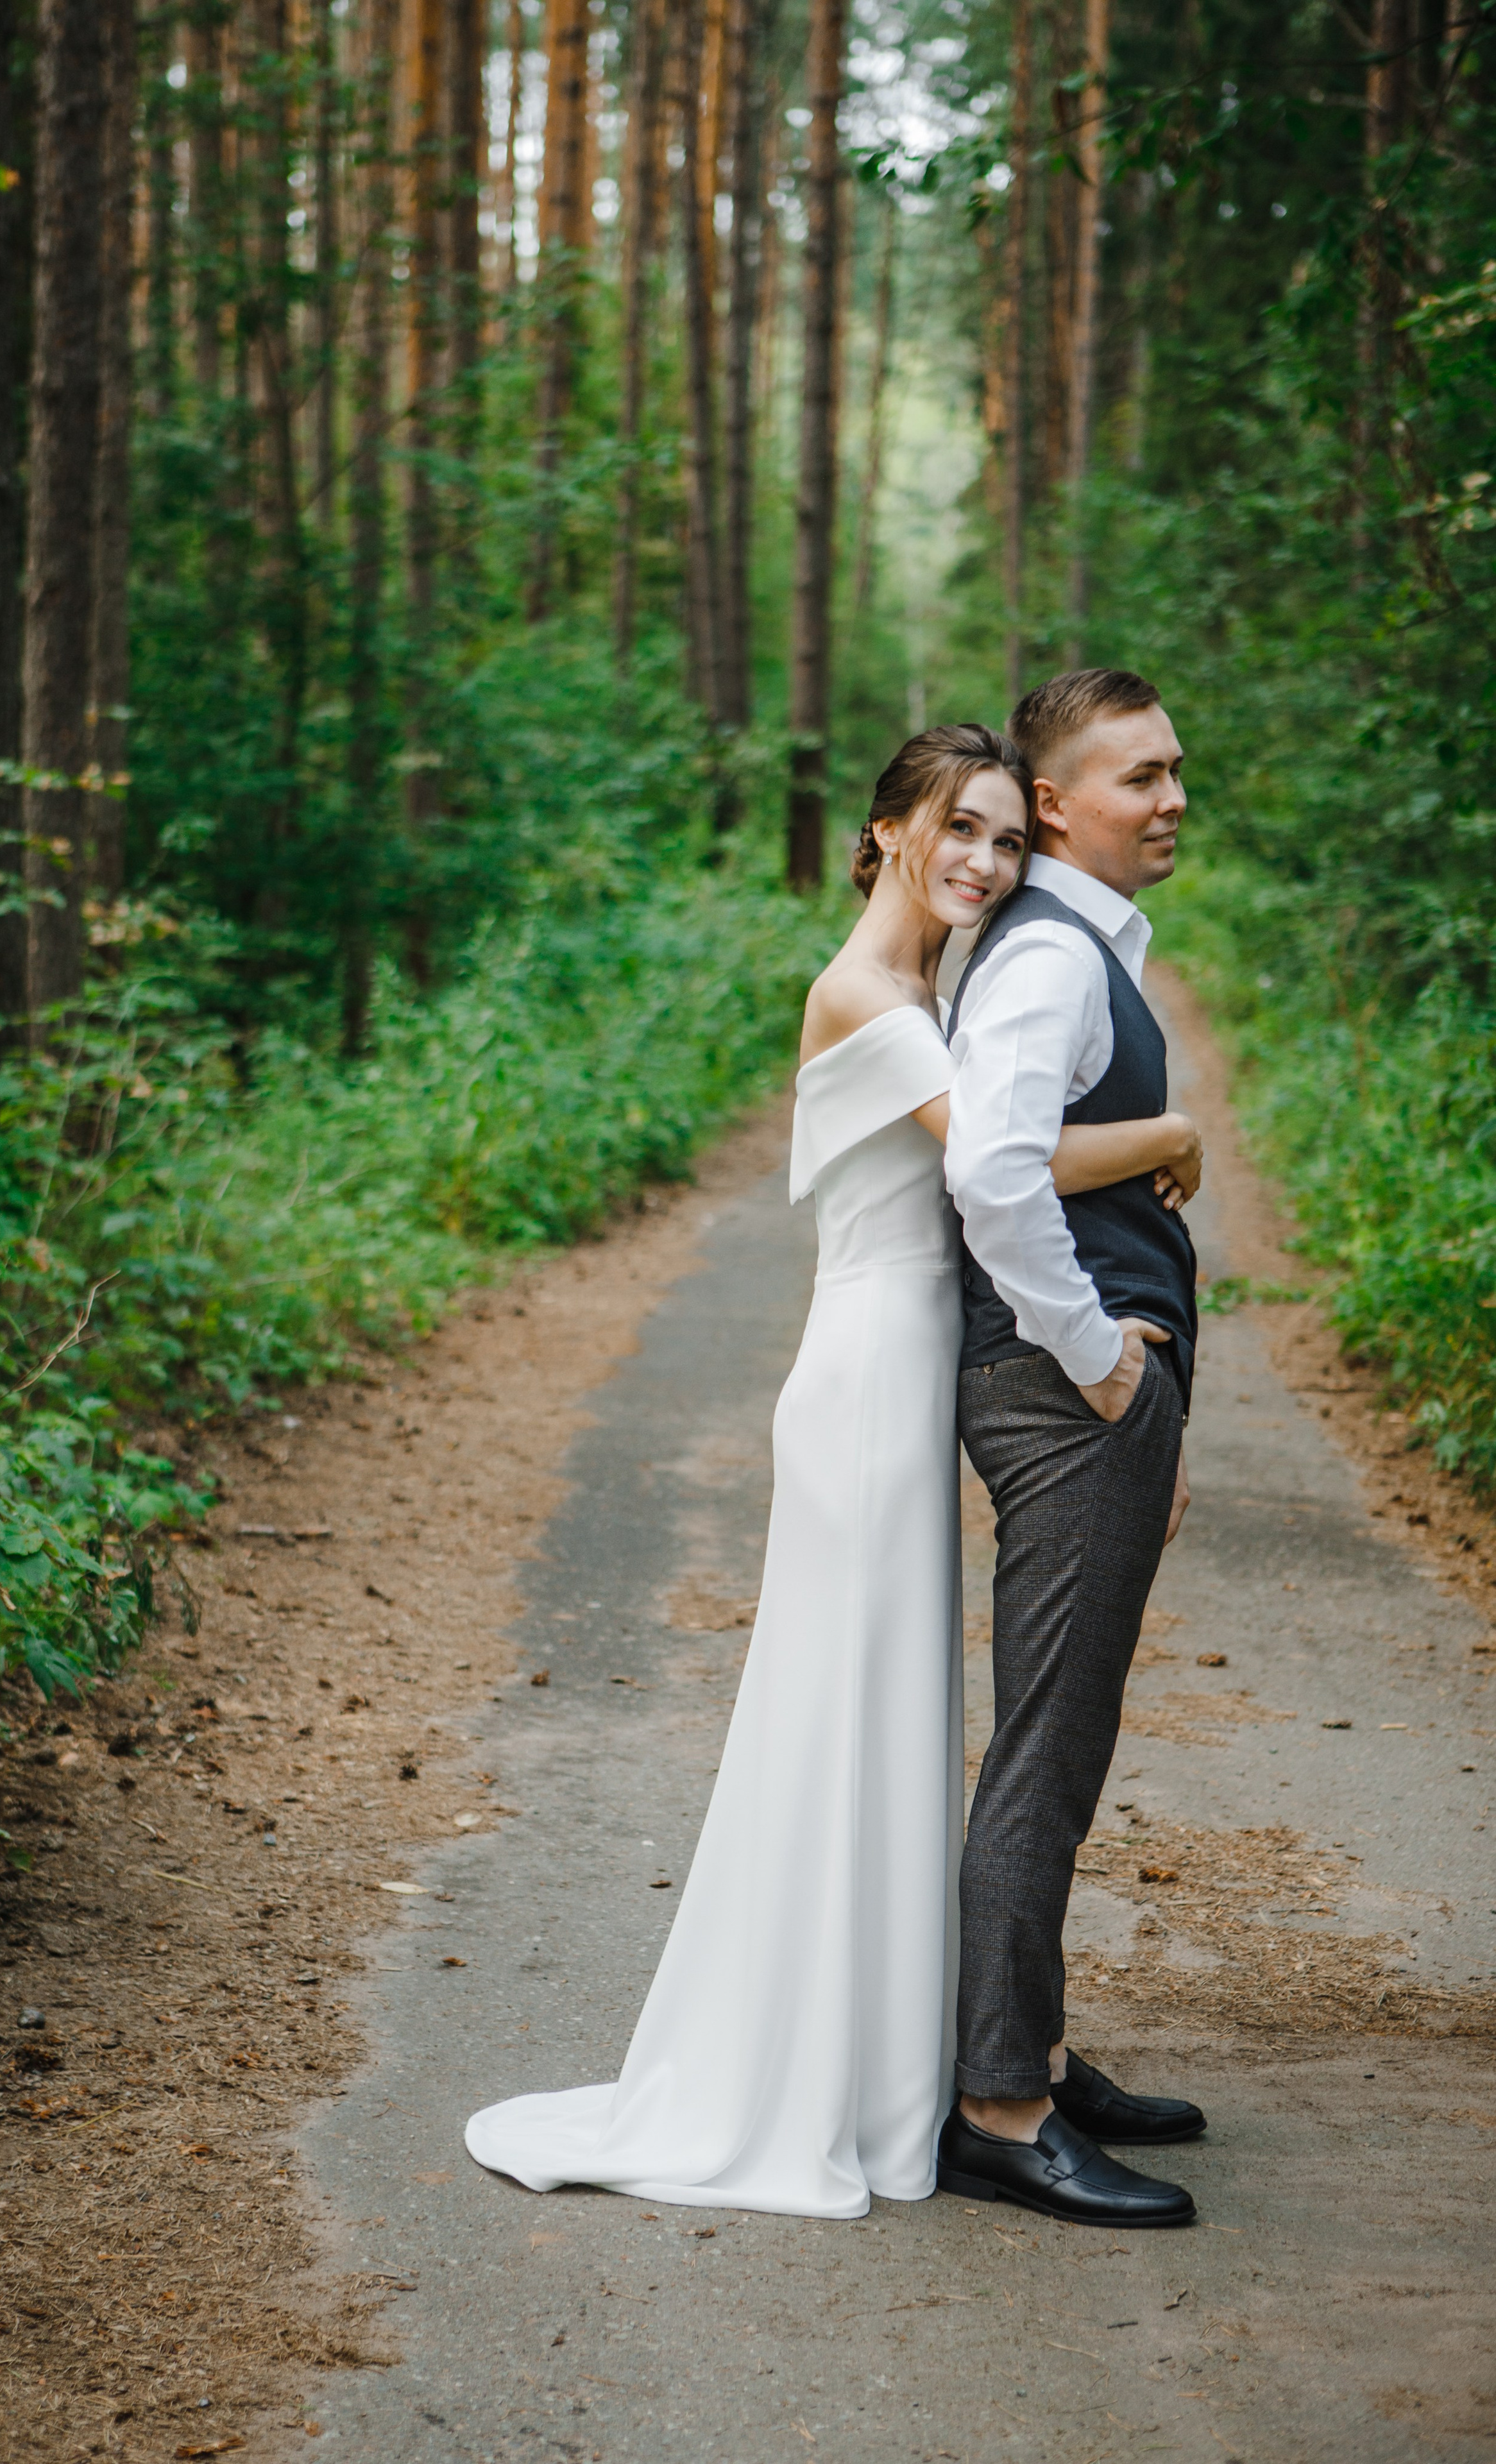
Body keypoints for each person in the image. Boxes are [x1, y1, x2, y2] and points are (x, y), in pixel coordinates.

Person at [464, 724, 1203, 2221]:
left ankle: (909, 2062)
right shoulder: (861, 993)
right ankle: (821, 2080)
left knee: (884, 1724)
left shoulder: (932, 983)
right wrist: (1168, 1131)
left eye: (1006, 839)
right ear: (881, 834)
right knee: (842, 1720)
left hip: (907, 1374)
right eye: (959, 830)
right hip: (865, 1377)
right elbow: (991, 1158)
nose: (986, 863)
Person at [937, 668, 1207, 2230]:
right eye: (1135, 778)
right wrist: (1100, 1359)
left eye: (1175, 772)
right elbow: (991, 1170)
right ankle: (999, 2106)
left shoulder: (1068, 944)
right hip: (1062, 1392)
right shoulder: (1047, 957)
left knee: (1064, 1737)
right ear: (1051, 801)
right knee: (1047, 1749)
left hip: (1082, 1392)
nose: (1169, 798)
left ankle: (1023, 2038)